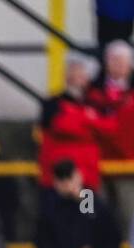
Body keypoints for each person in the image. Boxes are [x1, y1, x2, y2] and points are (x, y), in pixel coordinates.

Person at [87, 41, 134, 248]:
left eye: (122, 60)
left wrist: (98, 123)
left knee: (131, 214)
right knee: (87, 208)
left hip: (130, 166)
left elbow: (118, 129)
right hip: (92, 167)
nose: (117, 64)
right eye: (113, 59)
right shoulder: (91, 91)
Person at [39, 56, 112, 195]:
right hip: (58, 178)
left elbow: (110, 129)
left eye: (81, 73)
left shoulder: (97, 102)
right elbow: (61, 127)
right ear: (65, 76)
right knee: (58, 214)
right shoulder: (52, 103)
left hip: (88, 179)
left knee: (88, 214)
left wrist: (80, 120)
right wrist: (89, 120)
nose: (76, 77)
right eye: (73, 72)